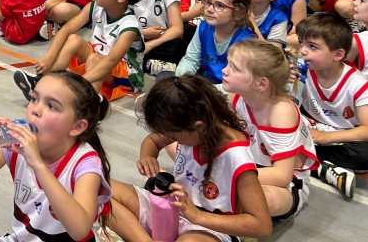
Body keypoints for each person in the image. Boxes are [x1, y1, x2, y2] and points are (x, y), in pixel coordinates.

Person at [0, 71, 112, 242]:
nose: (36, 110)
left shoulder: (85, 163)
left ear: (77, 127)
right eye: (34, 99)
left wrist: (38, 165)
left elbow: (80, 230)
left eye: (52, 106)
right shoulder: (17, 145)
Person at [106, 75, 272, 242]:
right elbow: (153, 141)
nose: (170, 139)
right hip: (172, 206)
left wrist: (198, 216)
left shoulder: (236, 157)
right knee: (103, 189)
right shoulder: (195, 128)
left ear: (198, 127)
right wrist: (147, 157)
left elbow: (262, 226)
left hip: (209, 227)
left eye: (173, 136)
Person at [17, 0, 148, 102]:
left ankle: (88, 104)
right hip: (100, 59)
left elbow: (111, 60)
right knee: (73, 40)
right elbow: (66, 30)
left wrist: (78, 83)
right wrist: (49, 57)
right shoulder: (95, 7)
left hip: (126, 75)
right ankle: (46, 82)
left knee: (95, 59)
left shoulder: (130, 26)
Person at [223, 39, 318, 219]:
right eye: (228, 64)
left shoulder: (281, 110)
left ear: (261, 84)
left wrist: (226, 175)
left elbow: (281, 176)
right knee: (178, 144)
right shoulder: (234, 96)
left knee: (259, 198)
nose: (224, 70)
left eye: (234, 68)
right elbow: (228, 139)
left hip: (284, 183)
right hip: (248, 164)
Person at [297, 12, 368, 199]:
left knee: (364, 155)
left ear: (338, 54)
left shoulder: (357, 84)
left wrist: (325, 137)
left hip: (341, 135)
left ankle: (306, 160)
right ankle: (323, 167)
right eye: (301, 43)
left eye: (312, 46)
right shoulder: (300, 70)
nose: (302, 51)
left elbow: (366, 130)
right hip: (309, 125)